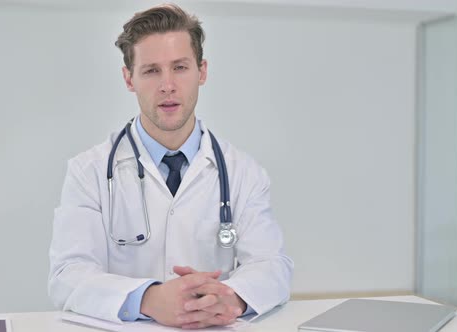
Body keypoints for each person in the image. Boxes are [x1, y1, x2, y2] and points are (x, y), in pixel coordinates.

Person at [48, 4, 293, 329]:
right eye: (151, 70)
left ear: (202, 71)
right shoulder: (88, 172)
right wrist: (150, 299)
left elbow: (271, 264)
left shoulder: (243, 173)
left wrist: (228, 298)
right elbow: (68, 276)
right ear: (128, 78)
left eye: (180, 67)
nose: (167, 85)